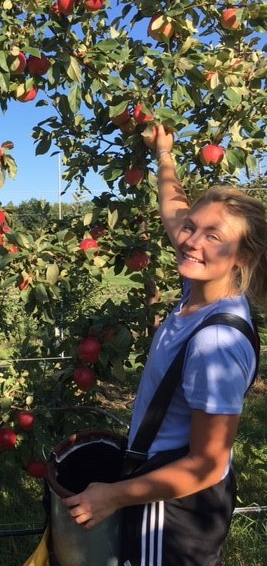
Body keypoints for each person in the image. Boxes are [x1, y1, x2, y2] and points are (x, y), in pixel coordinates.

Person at [63, 125, 267, 566]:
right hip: (158, 488)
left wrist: (113, 497)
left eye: (213, 236)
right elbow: (175, 210)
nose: (190, 240)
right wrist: (164, 154)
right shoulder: (201, 287)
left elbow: (208, 464)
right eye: (191, 229)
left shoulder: (216, 341)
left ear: (242, 258)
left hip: (171, 510)